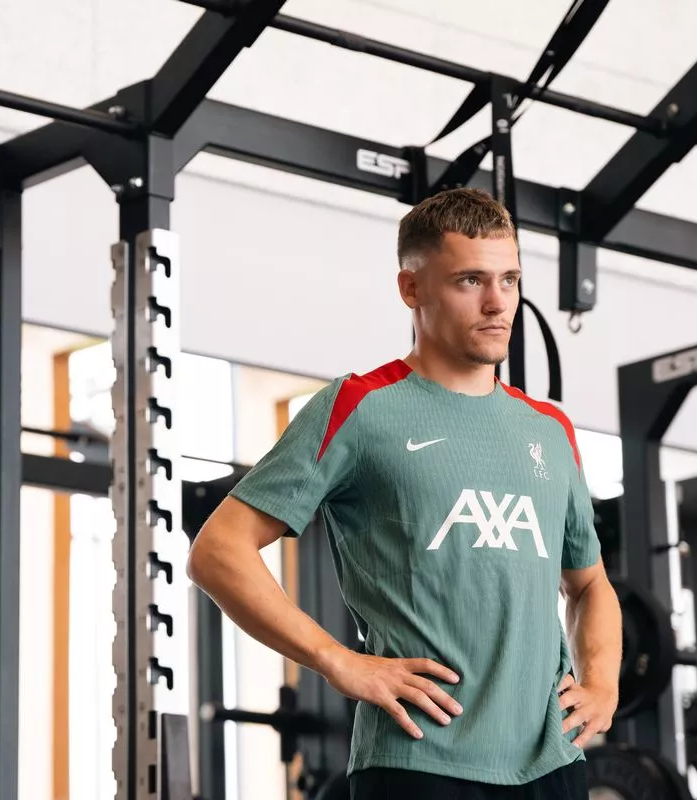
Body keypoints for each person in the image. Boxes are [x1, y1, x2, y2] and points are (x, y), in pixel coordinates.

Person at [185, 187, 623, 799]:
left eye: (510, 279)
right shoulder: (360, 407)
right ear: (411, 289)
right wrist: (336, 659)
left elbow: (589, 583)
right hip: (418, 764)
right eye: (471, 280)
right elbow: (218, 551)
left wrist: (602, 681)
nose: (499, 303)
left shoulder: (550, 431)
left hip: (551, 766)